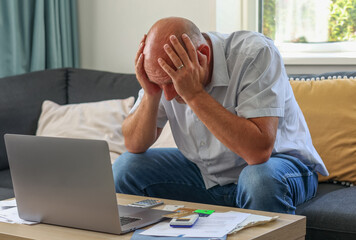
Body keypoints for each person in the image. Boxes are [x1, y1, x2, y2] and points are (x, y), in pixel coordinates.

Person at [112, 17, 328, 214]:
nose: (167, 95)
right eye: (159, 83)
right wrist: (151, 93)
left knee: (258, 181)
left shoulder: (255, 53)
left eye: (172, 83)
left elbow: (258, 152)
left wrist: (194, 95)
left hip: (279, 166)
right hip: (205, 174)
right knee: (126, 168)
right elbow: (133, 144)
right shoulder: (165, 75)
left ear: (203, 55)